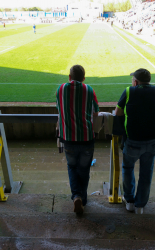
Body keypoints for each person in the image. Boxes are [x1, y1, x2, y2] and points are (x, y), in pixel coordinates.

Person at [115, 68, 155, 214]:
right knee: (146, 172)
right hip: (152, 141)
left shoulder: (129, 91)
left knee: (128, 169)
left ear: (136, 81)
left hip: (132, 141)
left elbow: (118, 112)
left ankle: (130, 202)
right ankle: (140, 206)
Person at [56, 65, 99, 215]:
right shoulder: (89, 90)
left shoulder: (61, 89)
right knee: (84, 170)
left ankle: (76, 197)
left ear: (69, 77)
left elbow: (59, 108)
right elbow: (96, 112)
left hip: (68, 139)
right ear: (84, 79)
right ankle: (83, 200)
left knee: (72, 167)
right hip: (87, 138)